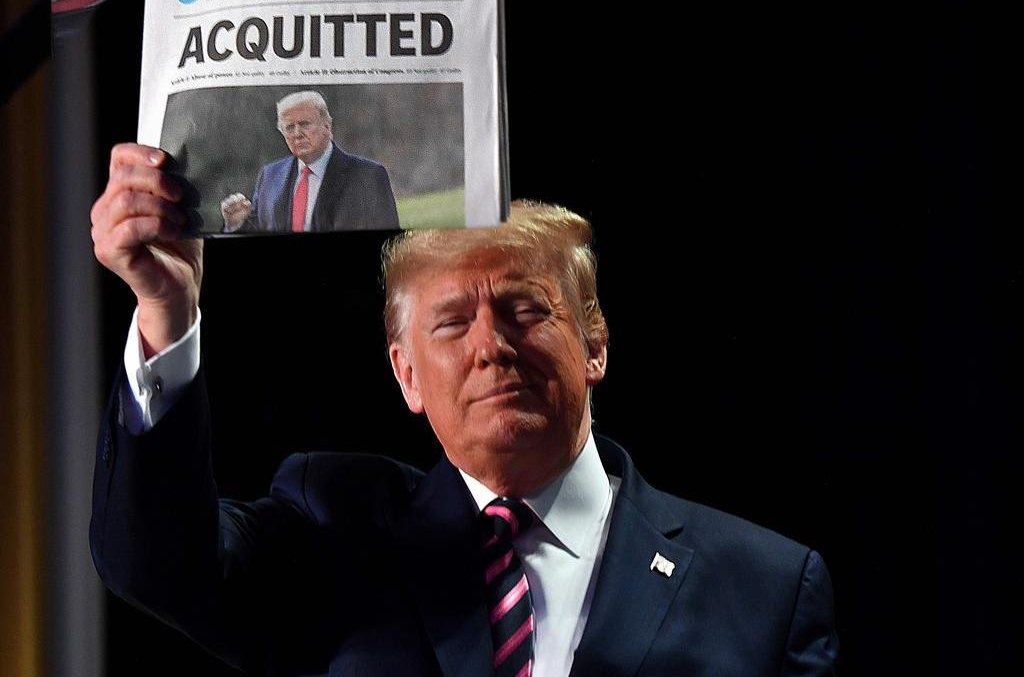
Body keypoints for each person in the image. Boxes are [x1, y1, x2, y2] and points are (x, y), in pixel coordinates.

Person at [90, 144, 839, 676]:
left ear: (596, 344)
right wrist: (166, 310)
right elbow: (159, 564)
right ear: (406, 375)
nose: (492, 347)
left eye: (523, 309)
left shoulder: (766, 588)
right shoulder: (332, 530)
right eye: (452, 322)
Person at [219, 90, 399, 233]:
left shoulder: (368, 175)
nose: (297, 134)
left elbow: (390, 241)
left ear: (327, 127)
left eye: (305, 124)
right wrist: (236, 224)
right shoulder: (270, 176)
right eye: (289, 127)